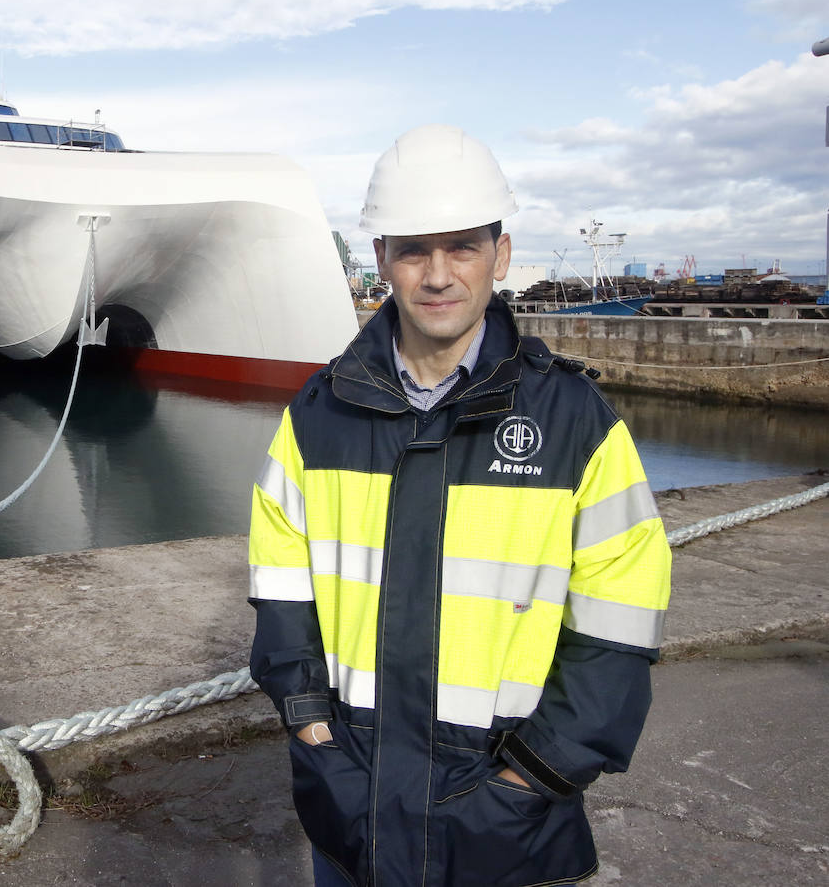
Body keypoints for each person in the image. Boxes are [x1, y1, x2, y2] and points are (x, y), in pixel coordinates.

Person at [247, 124, 671, 887]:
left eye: (462, 248)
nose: (438, 275)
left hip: (507, 822)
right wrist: (311, 724)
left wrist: (534, 775)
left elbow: (621, 615)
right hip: (354, 801)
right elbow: (281, 587)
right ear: (381, 260)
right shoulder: (318, 413)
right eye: (413, 249)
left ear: (499, 256)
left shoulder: (574, 421)